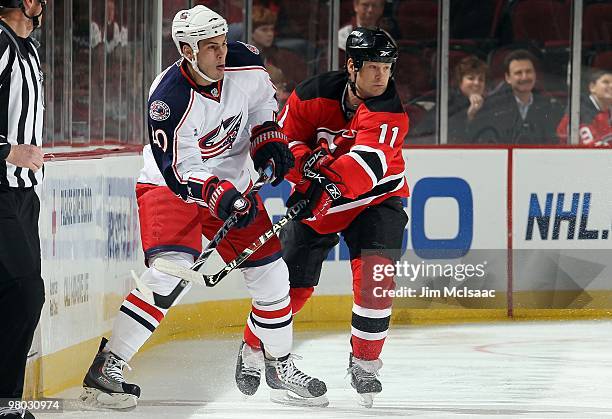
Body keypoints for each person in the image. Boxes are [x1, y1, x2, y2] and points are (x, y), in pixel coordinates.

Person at [80, 5, 328, 409]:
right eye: (210, 47)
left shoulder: (245, 61)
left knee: (272, 277)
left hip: (232, 184)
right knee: (168, 273)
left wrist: (268, 137)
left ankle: (279, 366)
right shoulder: (168, 99)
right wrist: (223, 195)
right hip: (172, 189)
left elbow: (263, 104)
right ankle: (108, 367)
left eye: (222, 43)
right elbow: (180, 171)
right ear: (186, 49)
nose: (221, 54)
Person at [237, 27, 409, 408]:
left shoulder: (390, 112)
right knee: (290, 290)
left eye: (387, 67)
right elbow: (286, 141)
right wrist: (304, 173)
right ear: (352, 66)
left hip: (375, 202)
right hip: (320, 200)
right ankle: (252, 348)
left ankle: (365, 362)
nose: (382, 76)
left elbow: (366, 167)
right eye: (374, 67)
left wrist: (325, 186)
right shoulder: (313, 93)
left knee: (375, 284)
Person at [0, 1, 47, 419]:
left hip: (23, 195)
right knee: (25, 293)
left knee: (16, 296)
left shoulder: (28, 48)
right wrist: (6, 150)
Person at [471, 49, 562, 144]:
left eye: (529, 71)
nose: (524, 77)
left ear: (535, 75)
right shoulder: (493, 106)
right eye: (518, 73)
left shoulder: (550, 106)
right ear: (508, 78)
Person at [410, 55, 488, 143]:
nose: (476, 83)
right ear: (460, 81)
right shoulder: (448, 101)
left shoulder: (490, 103)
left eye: (481, 79)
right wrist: (469, 116)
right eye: (471, 78)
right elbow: (452, 136)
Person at [556, 68, 612, 146]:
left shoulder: (608, 111)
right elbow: (592, 148)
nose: (611, 85)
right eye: (606, 82)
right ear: (592, 87)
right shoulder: (578, 110)